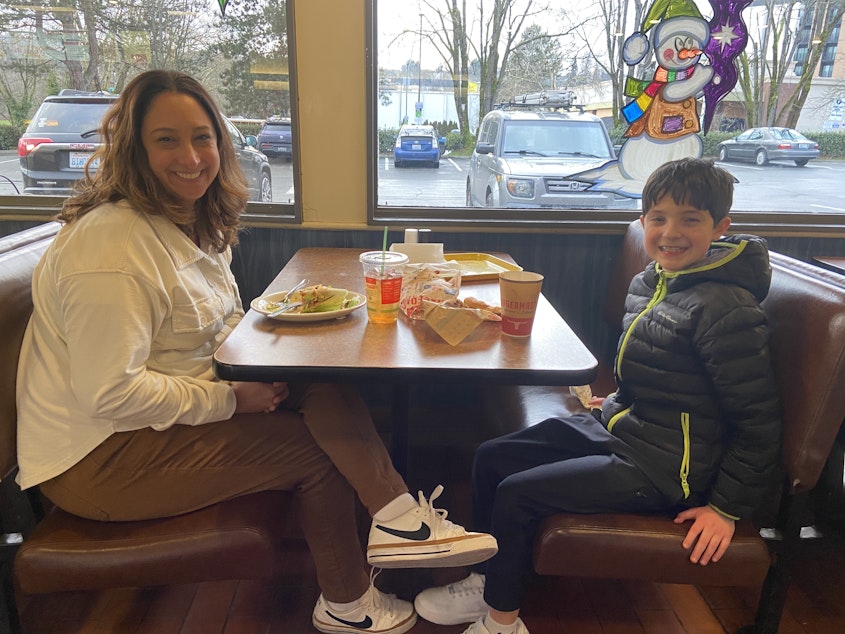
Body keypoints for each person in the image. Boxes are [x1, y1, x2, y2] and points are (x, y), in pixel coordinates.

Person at [15, 69, 497, 634]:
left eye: (202, 137)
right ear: (133, 151)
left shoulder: (184, 224)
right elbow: (111, 394)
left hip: (148, 428)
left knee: (322, 381)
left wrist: (277, 359)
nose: (191, 156)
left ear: (221, 142)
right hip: (99, 458)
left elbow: (215, 330)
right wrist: (231, 402)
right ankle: (349, 606)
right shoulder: (113, 247)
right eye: (165, 139)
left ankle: (398, 520)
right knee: (317, 453)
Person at [413, 157, 782, 634]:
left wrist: (726, 508)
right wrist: (609, 407)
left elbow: (759, 421)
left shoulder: (727, 307)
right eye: (658, 218)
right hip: (624, 430)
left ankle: (502, 622)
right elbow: (659, 378)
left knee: (519, 494)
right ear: (643, 221)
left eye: (690, 219)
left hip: (669, 470)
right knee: (492, 457)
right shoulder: (654, 280)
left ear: (720, 227)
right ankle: (487, 581)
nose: (671, 232)